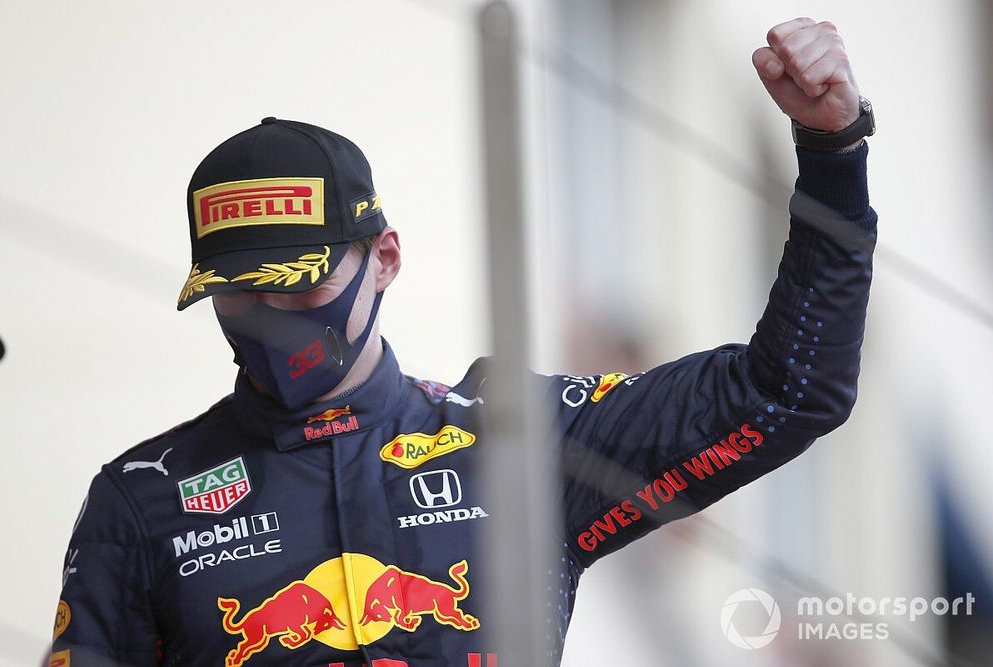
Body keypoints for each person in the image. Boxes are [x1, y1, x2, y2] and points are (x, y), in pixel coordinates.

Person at [48, 17, 877, 667]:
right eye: (242, 294)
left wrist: (832, 154)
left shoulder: (518, 440)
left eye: (301, 283)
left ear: (386, 260)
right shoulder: (141, 500)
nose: (274, 314)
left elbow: (789, 389)